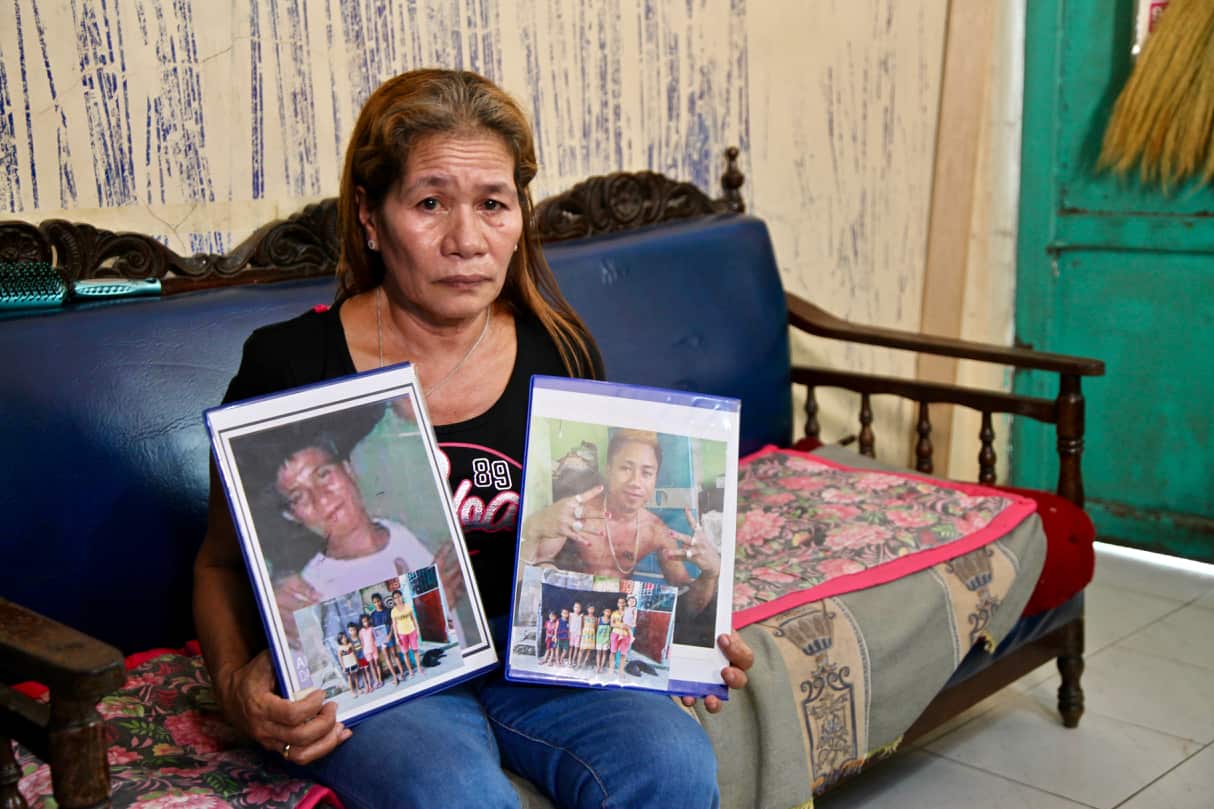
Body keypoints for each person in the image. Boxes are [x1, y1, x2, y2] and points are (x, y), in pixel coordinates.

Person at [193, 68, 753, 809]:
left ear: (519, 213)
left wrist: (680, 632)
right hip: (391, 664)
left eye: (493, 204)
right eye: (429, 203)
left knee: (674, 763)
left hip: (536, 653)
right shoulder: (291, 365)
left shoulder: (560, 352)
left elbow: (605, 548)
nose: (466, 240)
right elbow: (220, 566)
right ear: (370, 215)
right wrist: (238, 688)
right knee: (455, 792)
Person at [520, 430, 721, 619]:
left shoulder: (655, 531)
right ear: (608, 471)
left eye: (647, 473)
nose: (635, 482)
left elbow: (688, 607)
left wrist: (711, 573)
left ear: (655, 480)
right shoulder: (577, 513)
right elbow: (531, 568)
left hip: (616, 618)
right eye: (625, 468)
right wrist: (534, 527)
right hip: (568, 610)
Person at [368, 593, 404, 685]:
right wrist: (378, 640)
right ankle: (395, 677)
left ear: (381, 600)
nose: (377, 603)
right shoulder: (372, 615)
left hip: (389, 635)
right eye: (375, 602)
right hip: (381, 638)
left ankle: (402, 674)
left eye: (378, 601)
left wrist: (389, 635)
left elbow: (392, 624)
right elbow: (374, 629)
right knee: (387, 657)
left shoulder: (388, 611)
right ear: (373, 603)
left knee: (394, 655)